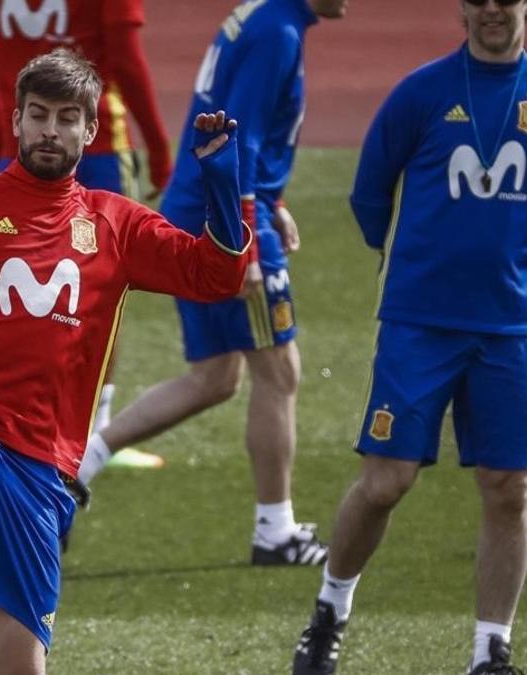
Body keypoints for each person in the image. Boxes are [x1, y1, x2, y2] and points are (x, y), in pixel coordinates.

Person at [0, 49, 250, 673]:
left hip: (40, 470)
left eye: (67, 118)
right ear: (15, 122)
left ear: (90, 131)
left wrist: (222, 186)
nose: (50, 130)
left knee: (17, 663)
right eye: (38, 115)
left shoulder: (115, 223)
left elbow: (217, 276)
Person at [291, 1, 527, 673]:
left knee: (508, 488)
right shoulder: (420, 93)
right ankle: (328, 614)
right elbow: (370, 196)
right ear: (461, 5)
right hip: (418, 325)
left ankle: (490, 651)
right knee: (386, 480)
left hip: (509, 330)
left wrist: (501, 274)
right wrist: (420, 271)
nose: (491, 9)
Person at [77, 0, 349, 567]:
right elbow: (239, 139)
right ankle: (275, 529)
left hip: (206, 208)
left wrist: (273, 202)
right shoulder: (277, 31)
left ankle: (82, 460)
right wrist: (247, 234)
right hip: (222, 219)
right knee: (279, 370)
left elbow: (234, 125)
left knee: (217, 377)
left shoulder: (264, 16)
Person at [0, 0, 174, 468]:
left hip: (18, 145)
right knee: (105, 285)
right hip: (94, 149)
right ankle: (92, 429)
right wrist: (161, 151)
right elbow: (125, 57)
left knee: (3, 283)